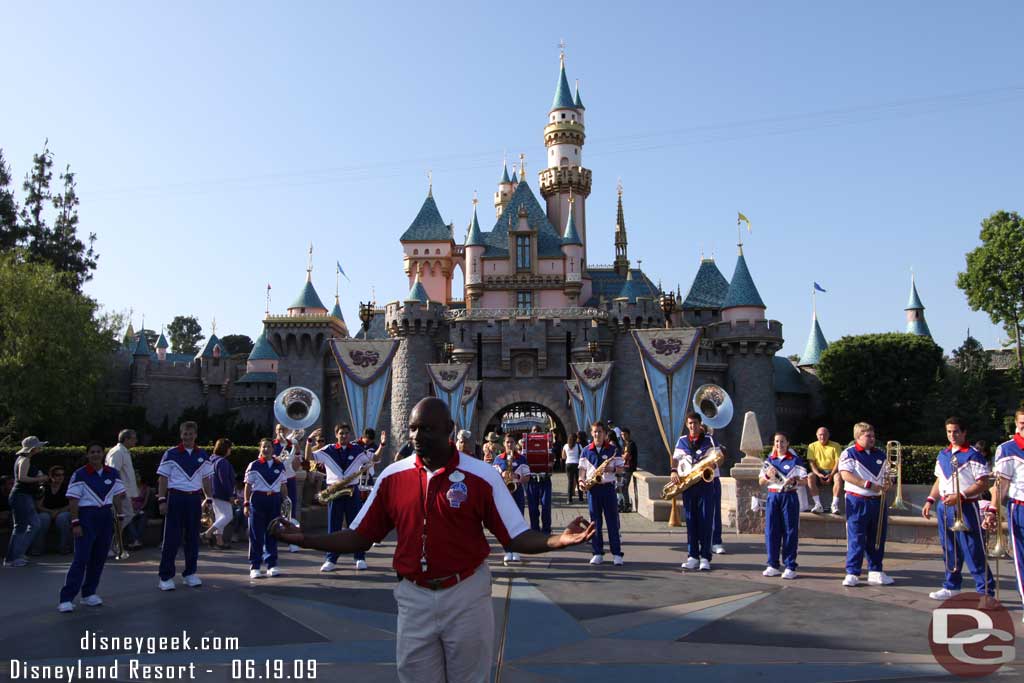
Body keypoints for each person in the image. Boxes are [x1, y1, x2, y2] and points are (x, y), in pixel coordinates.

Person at [273, 397, 594, 683]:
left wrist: (554, 540)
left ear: (449, 430)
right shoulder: (392, 477)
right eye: (413, 428)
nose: (416, 436)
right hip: (413, 598)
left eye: (426, 428)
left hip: (466, 594)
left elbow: (515, 534)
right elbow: (359, 536)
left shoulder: (482, 476)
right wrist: (305, 539)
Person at [921, 417, 994, 601]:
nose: (952, 435)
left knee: (973, 549)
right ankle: (952, 586)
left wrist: (960, 496)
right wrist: (930, 499)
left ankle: (986, 592)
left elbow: (983, 483)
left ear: (964, 432)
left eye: (956, 431)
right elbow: (940, 479)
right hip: (944, 506)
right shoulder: (943, 454)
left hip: (966, 507)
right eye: (949, 432)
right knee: (949, 548)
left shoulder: (973, 454)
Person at [58, 443, 127, 612]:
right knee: (81, 559)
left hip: (105, 516)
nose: (95, 454)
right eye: (92, 452)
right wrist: (75, 522)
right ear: (87, 455)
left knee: (99, 558)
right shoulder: (80, 474)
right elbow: (73, 501)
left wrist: (119, 515)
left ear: (103, 454)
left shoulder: (112, 473)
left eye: (98, 451)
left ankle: (89, 593)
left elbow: (118, 496)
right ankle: (66, 598)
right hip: (87, 516)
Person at [309, 423, 376, 571]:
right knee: (334, 526)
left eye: (346, 433)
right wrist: (309, 441)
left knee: (356, 525)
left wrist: (382, 444)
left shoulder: (358, 449)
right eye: (341, 433)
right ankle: (331, 559)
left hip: (352, 490)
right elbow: (309, 456)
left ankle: (359, 557)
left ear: (350, 435)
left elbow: (374, 458)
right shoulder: (328, 449)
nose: (344, 436)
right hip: (334, 490)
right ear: (336, 435)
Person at [156, 421, 215, 591]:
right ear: (181, 435)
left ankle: (190, 573)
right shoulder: (171, 454)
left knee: (192, 539)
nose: (187, 437)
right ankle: (165, 576)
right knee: (171, 539)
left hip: (194, 500)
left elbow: (205, 479)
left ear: (195, 435)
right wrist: (161, 499)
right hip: (176, 498)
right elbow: (163, 478)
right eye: (184, 434)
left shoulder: (202, 454)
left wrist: (209, 498)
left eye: (190, 434)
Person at [838, 422, 894, 587]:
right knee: (857, 536)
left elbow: (887, 476)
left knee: (877, 537)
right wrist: (867, 484)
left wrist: (889, 482)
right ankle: (852, 572)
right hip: (857, 500)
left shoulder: (881, 454)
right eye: (868, 436)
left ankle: (875, 571)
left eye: (873, 435)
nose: (872, 438)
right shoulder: (849, 453)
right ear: (858, 437)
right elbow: (845, 475)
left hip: (878, 501)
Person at [987, 408, 1024, 622]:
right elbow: (1001, 485)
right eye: (1022, 424)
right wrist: (992, 510)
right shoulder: (1007, 449)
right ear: (1017, 425)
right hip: (1020, 507)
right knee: (1022, 559)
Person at [671, 413, 721, 570]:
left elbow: (720, 457)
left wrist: (712, 465)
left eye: (695, 423)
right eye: (690, 423)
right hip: (688, 486)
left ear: (700, 424)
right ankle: (692, 555)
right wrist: (673, 471)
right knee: (691, 521)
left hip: (705, 485)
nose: (693, 426)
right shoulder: (682, 441)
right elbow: (675, 459)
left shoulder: (709, 440)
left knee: (706, 521)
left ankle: (705, 557)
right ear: (687, 424)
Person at [758, 432, 807, 579]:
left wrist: (795, 482)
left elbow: (805, 480)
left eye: (782, 442)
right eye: (777, 442)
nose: (779, 444)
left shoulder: (795, 460)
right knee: (772, 531)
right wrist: (768, 476)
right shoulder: (769, 460)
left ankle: (790, 566)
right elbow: (760, 481)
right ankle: (773, 564)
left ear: (787, 443)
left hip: (789, 496)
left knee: (790, 531)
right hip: (773, 496)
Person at [578, 421, 625, 566]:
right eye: (595, 432)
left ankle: (617, 554)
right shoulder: (586, 450)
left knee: (612, 522)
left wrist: (610, 470)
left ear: (604, 433)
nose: (597, 434)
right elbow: (582, 470)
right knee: (595, 523)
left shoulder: (613, 449)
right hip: (593, 489)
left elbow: (621, 469)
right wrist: (580, 481)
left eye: (599, 432)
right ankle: (597, 552)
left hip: (608, 488)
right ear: (591, 433)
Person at [244, 438, 289, 578]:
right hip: (258, 500)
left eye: (268, 447)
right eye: (263, 447)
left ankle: (271, 564)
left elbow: (283, 485)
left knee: (272, 533)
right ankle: (255, 566)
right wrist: (246, 503)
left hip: (274, 500)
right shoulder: (254, 465)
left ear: (273, 449)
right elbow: (248, 486)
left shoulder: (279, 466)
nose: (266, 449)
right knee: (256, 534)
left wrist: (285, 501)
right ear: (260, 449)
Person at [4, 436, 49, 567]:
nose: (40, 448)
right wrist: (41, 478)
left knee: (34, 524)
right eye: (38, 446)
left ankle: (18, 553)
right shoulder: (25, 460)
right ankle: (12, 558)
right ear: (33, 448)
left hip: (24, 496)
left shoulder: (23, 459)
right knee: (20, 527)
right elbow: (21, 478)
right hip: (21, 496)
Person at [494, 434, 530, 564]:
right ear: (504, 443)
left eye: (512, 442)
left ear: (515, 444)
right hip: (504, 493)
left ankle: (516, 550)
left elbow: (527, 477)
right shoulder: (498, 459)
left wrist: (518, 476)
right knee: (505, 523)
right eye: (507, 442)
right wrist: (501, 475)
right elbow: (493, 477)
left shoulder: (522, 459)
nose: (510, 445)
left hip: (517, 492)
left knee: (518, 522)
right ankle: (508, 550)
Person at [273, 424, 304, 552]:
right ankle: (270, 541)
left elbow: (296, 467)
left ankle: (292, 541)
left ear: (287, 431)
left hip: (289, 480)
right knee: (273, 511)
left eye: (283, 430)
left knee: (290, 510)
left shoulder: (292, 445)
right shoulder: (271, 445)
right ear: (275, 431)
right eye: (279, 430)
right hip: (274, 482)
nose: (281, 432)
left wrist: (296, 450)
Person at [204, 438, 237, 550]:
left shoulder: (211, 460)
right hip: (222, 494)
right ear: (225, 449)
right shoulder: (222, 462)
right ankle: (208, 533)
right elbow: (225, 480)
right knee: (228, 516)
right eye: (229, 448)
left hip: (213, 492)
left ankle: (219, 541)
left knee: (219, 517)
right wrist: (230, 495)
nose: (230, 450)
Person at [33, 466, 73, 555]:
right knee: (42, 518)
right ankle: (37, 548)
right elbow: (38, 506)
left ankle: (64, 547)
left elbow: (71, 504)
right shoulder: (44, 488)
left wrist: (58, 511)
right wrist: (50, 512)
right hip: (47, 511)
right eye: (58, 475)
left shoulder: (67, 487)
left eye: (62, 475)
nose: (60, 477)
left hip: (63, 511)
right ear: (51, 476)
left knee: (62, 518)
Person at [105, 429, 139, 535]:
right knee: (125, 516)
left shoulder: (123, 451)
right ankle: (111, 543)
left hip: (124, 492)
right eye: (134, 438)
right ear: (126, 439)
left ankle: (114, 544)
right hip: (120, 493)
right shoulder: (118, 452)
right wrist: (120, 490)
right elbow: (113, 472)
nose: (136, 441)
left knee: (124, 517)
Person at [806, 426, 844, 514]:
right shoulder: (812, 446)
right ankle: (818, 504)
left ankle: (834, 505)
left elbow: (838, 462)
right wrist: (818, 474)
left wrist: (831, 475)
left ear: (828, 435)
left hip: (833, 471)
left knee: (838, 477)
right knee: (810, 476)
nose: (822, 437)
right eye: (820, 435)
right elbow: (812, 463)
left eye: (824, 435)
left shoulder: (836, 445)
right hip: (819, 471)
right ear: (816, 435)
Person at [524, 430, 553, 536]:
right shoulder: (526, 444)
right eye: (533, 432)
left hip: (545, 478)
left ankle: (546, 530)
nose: (535, 433)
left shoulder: (547, 443)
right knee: (532, 507)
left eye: (537, 431)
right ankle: (534, 529)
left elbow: (551, 459)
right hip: (532, 479)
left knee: (546, 506)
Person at [126, 472, 151, 549]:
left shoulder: (146, 488)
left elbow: (145, 502)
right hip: (131, 510)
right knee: (129, 520)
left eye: (138, 476)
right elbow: (128, 501)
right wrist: (132, 510)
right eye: (135, 477)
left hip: (141, 510)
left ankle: (135, 541)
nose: (137, 478)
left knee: (143, 519)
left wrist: (139, 510)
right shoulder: (129, 487)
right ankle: (137, 541)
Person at [619, 429, 638, 513]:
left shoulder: (631, 444)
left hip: (629, 468)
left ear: (629, 434)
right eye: (622, 435)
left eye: (625, 434)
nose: (623, 436)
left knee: (624, 487)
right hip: (625, 468)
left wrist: (622, 455)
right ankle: (624, 504)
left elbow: (625, 456)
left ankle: (627, 505)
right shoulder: (625, 444)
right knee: (622, 487)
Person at [562, 431, 583, 503]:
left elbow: (563, 457)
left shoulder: (565, 446)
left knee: (570, 482)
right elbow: (582, 455)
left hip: (568, 464)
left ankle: (569, 499)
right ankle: (581, 498)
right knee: (578, 481)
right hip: (577, 464)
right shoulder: (578, 445)